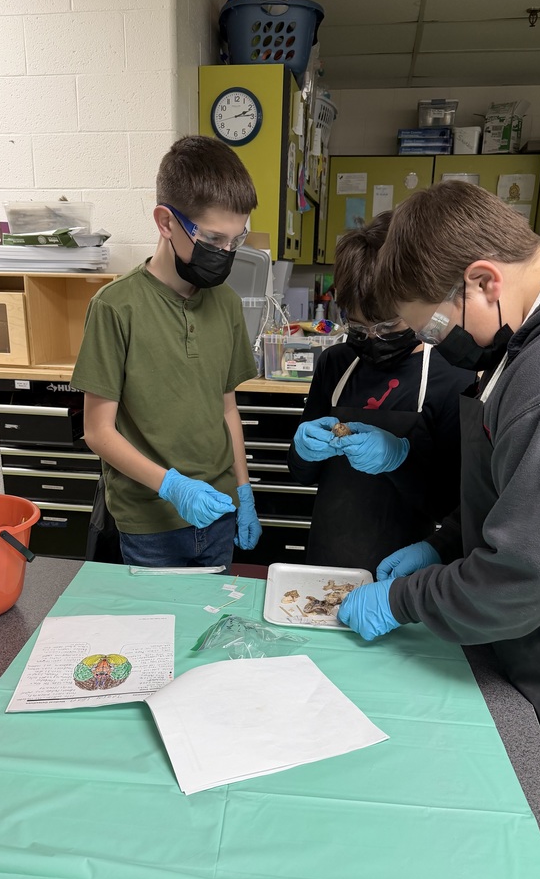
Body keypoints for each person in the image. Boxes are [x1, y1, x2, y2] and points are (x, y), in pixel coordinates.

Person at [338, 180, 540, 779]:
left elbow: (532, 576)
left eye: (437, 330)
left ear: (484, 281)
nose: (439, 347)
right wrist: (443, 545)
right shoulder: (536, 341)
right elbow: (530, 495)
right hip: (525, 639)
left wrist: (403, 600)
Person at [72, 136, 262, 571]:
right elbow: (98, 432)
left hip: (219, 510)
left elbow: (226, 408)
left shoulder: (227, 304)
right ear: (165, 222)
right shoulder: (116, 306)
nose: (226, 253)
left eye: (237, 240)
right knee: (157, 636)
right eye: (214, 238)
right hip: (148, 520)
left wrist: (243, 489)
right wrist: (172, 486)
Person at [287, 214, 472, 573]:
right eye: (358, 326)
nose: (373, 338)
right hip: (328, 559)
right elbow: (302, 475)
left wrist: (400, 459)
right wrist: (304, 449)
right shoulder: (336, 363)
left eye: (388, 326)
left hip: (403, 573)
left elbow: (451, 505)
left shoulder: (453, 376)